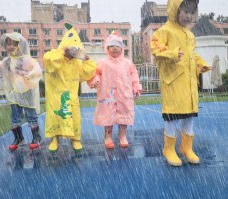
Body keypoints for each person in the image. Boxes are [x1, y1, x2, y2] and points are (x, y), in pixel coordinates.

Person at [150, 0, 211, 166]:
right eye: (185, 11)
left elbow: (191, 55)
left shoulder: (190, 35)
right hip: (173, 83)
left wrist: (200, 64)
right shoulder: (164, 31)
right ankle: (169, 149)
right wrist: (172, 54)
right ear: (175, 10)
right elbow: (155, 48)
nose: (189, 16)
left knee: (189, 118)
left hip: (189, 85)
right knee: (172, 118)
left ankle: (187, 147)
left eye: (192, 12)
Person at [0, 32, 43, 151]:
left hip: (27, 93)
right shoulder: (7, 61)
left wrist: (30, 74)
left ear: (21, 44)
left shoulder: (28, 60)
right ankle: (19, 138)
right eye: (8, 43)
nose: (11, 46)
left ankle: (36, 137)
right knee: (15, 117)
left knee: (31, 116)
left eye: (14, 43)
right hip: (13, 94)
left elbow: (38, 70)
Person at [43, 23, 96, 153]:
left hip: (72, 97)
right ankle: (54, 139)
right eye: (72, 50)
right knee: (55, 117)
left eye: (76, 50)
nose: (73, 53)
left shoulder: (77, 63)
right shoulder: (55, 56)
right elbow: (48, 60)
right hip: (56, 97)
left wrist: (86, 59)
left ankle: (75, 139)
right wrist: (62, 51)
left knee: (75, 118)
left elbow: (87, 73)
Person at [88, 32, 142, 149]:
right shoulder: (103, 62)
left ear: (121, 48)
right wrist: (95, 81)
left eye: (117, 46)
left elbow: (134, 76)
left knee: (124, 115)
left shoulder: (127, 63)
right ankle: (108, 136)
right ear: (107, 48)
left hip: (124, 94)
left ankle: (122, 136)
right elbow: (95, 73)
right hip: (108, 94)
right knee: (108, 115)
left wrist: (136, 87)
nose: (115, 49)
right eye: (112, 46)